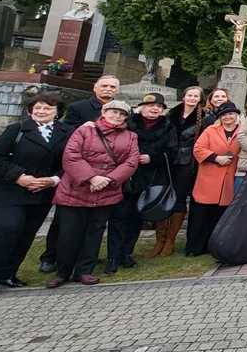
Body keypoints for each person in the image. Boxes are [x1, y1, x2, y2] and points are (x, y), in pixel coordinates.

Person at [0, 92, 68, 297]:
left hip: (42, 192)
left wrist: (53, 180)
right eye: (37, 108)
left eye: (47, 108)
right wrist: (19, 177)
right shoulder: (16, 130)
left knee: (26, 233)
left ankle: (9, 273)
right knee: (7, 229)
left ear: (57, 112)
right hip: (10, 190)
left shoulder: (65, 132)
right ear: (30, 111)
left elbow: (69, 161)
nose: (41, 111)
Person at [49, 100, 139, 288]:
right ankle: (63, 271)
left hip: (107, 190)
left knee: (95, 232)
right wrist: (91, 178)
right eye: (113, 112)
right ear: (104, 112)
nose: (117, 116)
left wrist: (109, 179)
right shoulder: (84, 131)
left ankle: (84, 271)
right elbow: (71, 156)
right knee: (69, 233)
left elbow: (131, 162)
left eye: (122, 114)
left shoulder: (130, 136)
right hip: (76, 189)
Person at [38, 74, 121, 273]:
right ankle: (51, 256)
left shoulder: (121, 111)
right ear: (95, 87)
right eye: (104, 86)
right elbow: (65, 135)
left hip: (106, 176)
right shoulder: (79, 108)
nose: (108, 89)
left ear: (117, 90)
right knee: (64, 221)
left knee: (95, 223)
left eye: (112, 87)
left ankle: (84, 259)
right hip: (78, 175)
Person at [107, 93, 176, 274]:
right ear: (141, 107)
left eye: (159, 107)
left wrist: (152, 158)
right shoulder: (128, 124)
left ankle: (127, 253)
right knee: (119, 218)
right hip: (125, 177)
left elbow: (172, 152)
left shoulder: (168, 127)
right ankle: (113, 256)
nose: (155, 109)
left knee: (137, 218)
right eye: (151, 105)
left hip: (150, 178)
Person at [187, 102, 241, 256]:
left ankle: (217, 246)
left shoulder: (242, 131)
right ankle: (195, 247)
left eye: (231, 114)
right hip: (209, 177)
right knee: (201, 215)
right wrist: (216, 158)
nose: (228, 117)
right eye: (224, 115)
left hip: (229, 178)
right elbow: (198, 148)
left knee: (221, 216)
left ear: (236, 115)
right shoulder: (211, 130)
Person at [156, 85, 203, 258]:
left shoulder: (202, 117)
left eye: (195, 96)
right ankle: (159, 239)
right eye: (189, 95)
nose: (192, 98)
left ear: (199, 99)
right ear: (184, 97)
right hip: (167, 160)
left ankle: (170, 240)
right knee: (162, 197)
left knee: (179, 199)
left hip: (187, 163)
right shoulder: (171, 114)